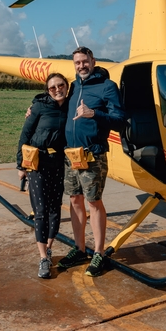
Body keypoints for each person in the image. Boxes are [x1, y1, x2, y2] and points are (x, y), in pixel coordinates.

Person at [57, 46, 125, 277]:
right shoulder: (74, 86)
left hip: (92, 155)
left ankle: (98, 252)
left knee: (93, 202)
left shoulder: (107, 87)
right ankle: (79, 248)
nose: (81, 66)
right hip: (71, 155)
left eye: (85, 62)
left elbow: (119, 121)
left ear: (93, 61)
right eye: (77, 63)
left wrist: (94, 114)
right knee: (75, 200)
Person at [17, 73, 69, 279]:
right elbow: (25, 135)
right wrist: (20, 164)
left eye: (60, 85)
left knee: (55, 209)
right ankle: (42, 258)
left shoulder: (71, 105)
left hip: (58, 163)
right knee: (40, 210)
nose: (57, 90)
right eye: (52, 87)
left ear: (67, 86)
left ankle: (48, 248)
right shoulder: (39, 106)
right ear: (47, 90)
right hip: (38, 162)